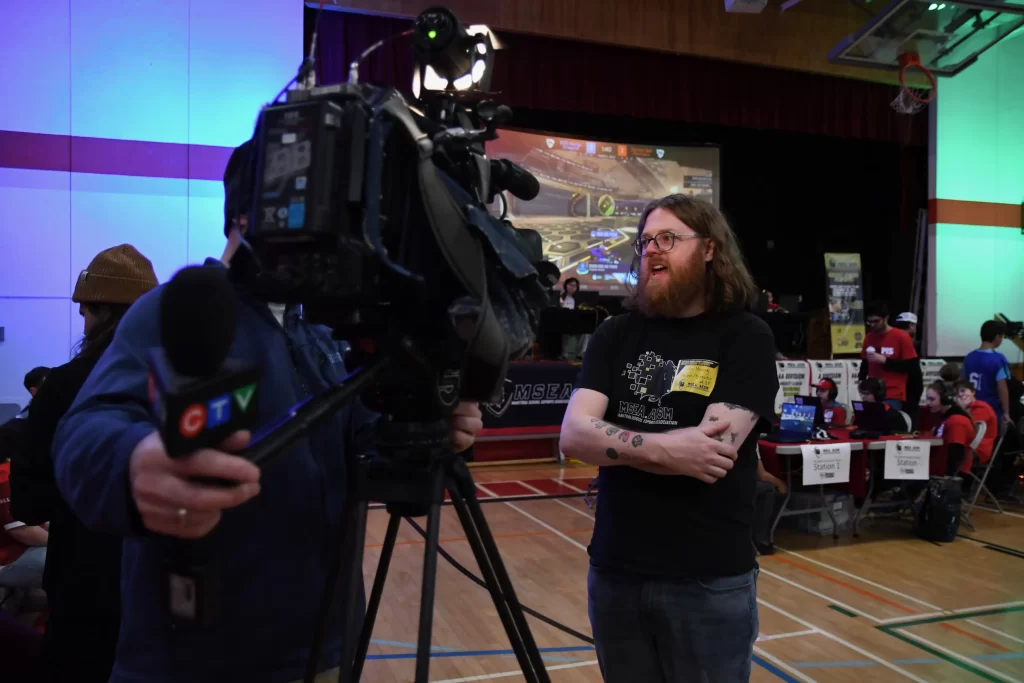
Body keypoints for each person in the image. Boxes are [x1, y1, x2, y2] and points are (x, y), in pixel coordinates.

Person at [50, 144, 485, 683]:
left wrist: (431, 427)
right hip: (194, 663)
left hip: (327, 646)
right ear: (245, 217)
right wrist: (133, 462)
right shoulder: (176, 309)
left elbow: (366, 447)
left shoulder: (326, 329)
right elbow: (85, 432)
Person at [559, 194, 778, 682]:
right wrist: (666, 449)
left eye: (668, 239)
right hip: (615, 573)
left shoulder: (746, 336)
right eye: (645, 242)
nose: (652, 250)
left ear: (709, 249)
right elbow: (574, 436)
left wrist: (615, 442)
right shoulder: (615, 334)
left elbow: (710, 455)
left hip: (708, 582)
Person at [11, 244, 158, 683]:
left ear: (92, 311)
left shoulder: (62, 386)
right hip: (162, 586)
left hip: (82, 584)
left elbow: (28, 502)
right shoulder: (186, 384)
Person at [0, 451, 47, 590]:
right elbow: (22, 532)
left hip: (20, 547)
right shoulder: (3, 478)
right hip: (7, 557)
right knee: (68, 559)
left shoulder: (12, 468)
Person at [859, 301, 918, 412]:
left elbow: (912, 366)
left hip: (893, 393)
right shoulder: (869, 337)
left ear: (886, 318)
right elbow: (865, 361)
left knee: (887, 423)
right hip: (872, 392)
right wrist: (861, 379)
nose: (872, 325)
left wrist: (885, 360)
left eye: (876, 321)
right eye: (869, 322)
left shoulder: (901, 337)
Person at [961, 320, 1014, 430]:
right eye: (1002, 337)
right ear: (997, 337)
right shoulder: (999, 359)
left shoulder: (969, 357)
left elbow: (962, 382)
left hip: (971, 410)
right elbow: (1002, 388)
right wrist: (1006, 413)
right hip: (991, 411)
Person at [925, 381, 976, 476]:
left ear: (945, 399)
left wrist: (947, 480)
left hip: (946, 473)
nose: (928, 403)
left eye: (932, 399)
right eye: (927, 399)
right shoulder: (943, 416)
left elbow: (956, 454)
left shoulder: (957, 421)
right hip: (937, 466)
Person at [953, 380, 998, 469]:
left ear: (973, 392)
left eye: (963, 390)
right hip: (968, 446)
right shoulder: (967, 408)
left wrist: (962, 409)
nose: (960, 394)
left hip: (978, 450)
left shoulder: (981, 408)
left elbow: (969, 430)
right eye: (956, 393)